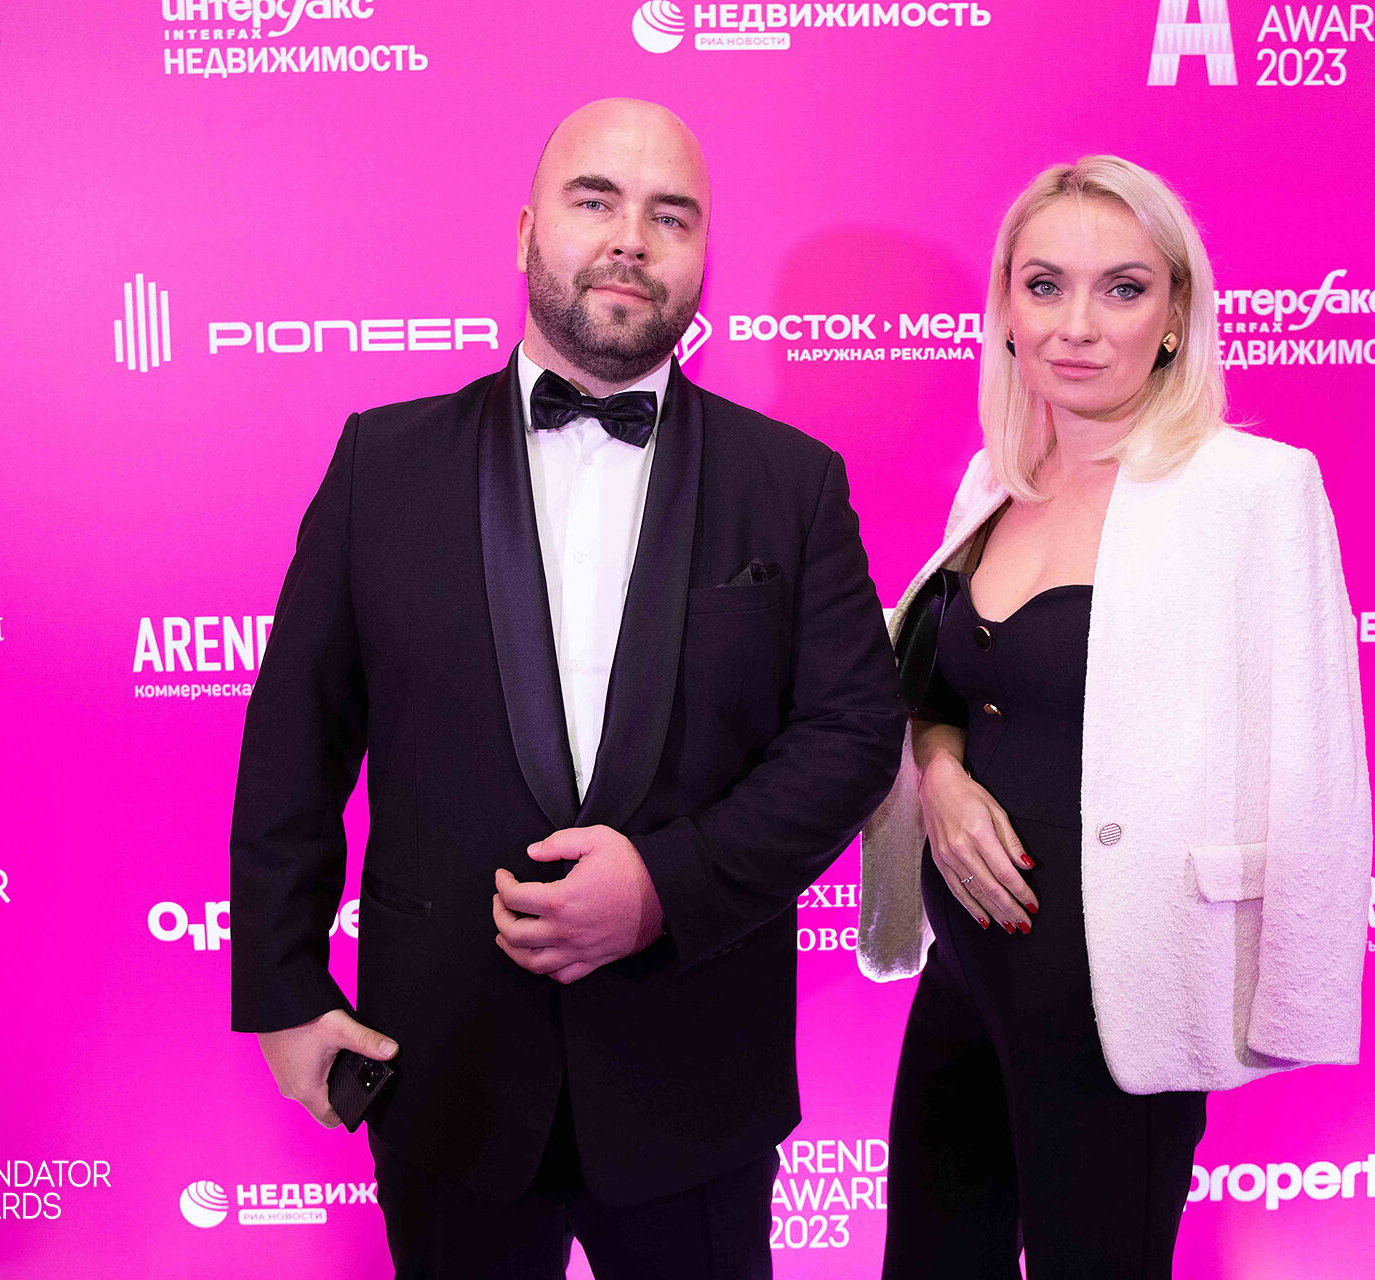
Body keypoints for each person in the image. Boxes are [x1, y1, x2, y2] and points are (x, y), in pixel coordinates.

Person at [229, 97, 904, 1280]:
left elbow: (851, 734)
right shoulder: (382, 464)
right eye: (596, 200)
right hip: (444, 1068)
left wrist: (665, 886)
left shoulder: (792, 483)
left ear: (703, 254)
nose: (631, 238)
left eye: (671, 215)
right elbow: (296, 739)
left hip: (695, 1078)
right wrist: (284, 989)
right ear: (527, 228)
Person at [856, 156, 1373, 1279]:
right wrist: (940, 778)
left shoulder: (1254, 490)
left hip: (1121, 990)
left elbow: (1318, 765)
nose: (1077, 325)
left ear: (1177, 312)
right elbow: (939, 693)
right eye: (1045, 285)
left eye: (1123, 288)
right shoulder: (993, 481)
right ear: (1006, 306)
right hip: (968, 972)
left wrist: (1299, 998)